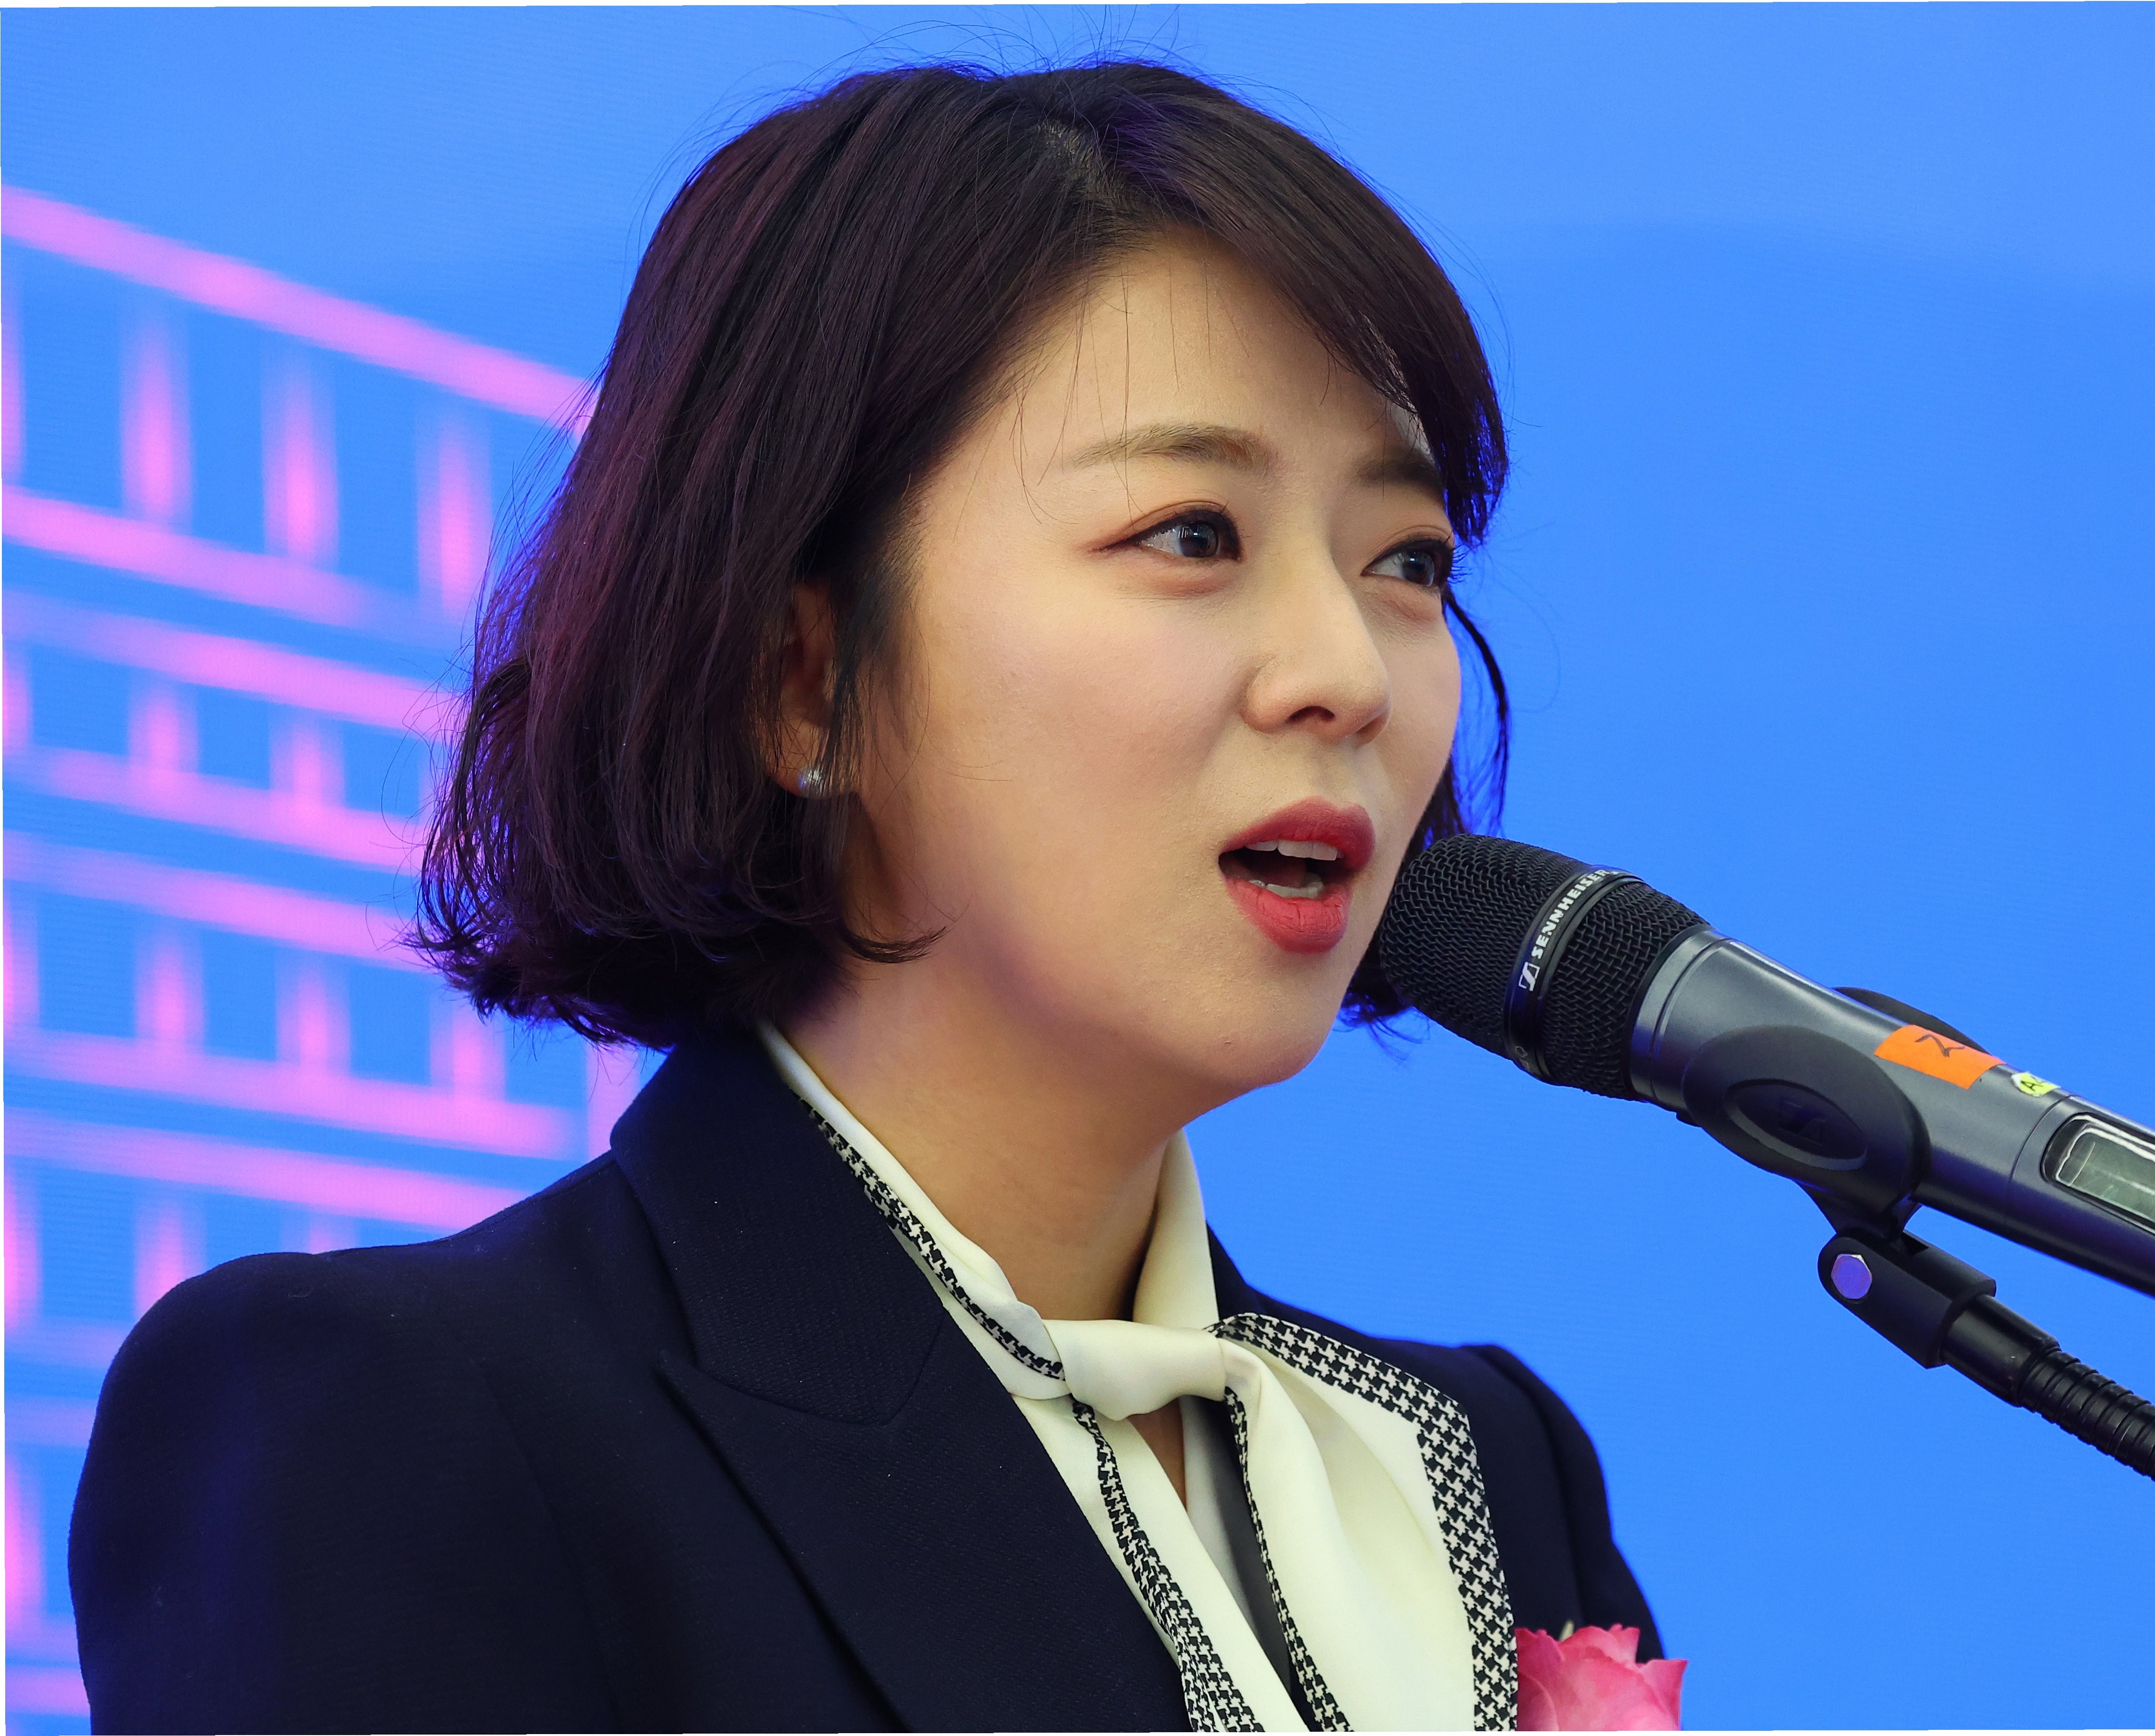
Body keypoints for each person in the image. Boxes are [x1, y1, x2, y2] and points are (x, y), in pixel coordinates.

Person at [69, 61, 1660, 1733]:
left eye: (1406, 561)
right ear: (800, 680)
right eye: (1193, 534)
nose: (1349, 673)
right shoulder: (415, 1423)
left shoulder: (1475, 1467)